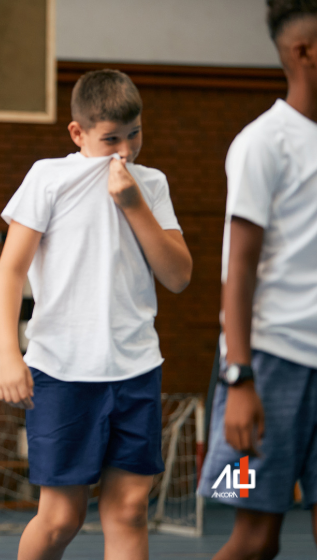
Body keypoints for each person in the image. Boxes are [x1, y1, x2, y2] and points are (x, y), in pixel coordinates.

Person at [0, 69, 192, 560]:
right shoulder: (48, 177)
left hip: (135, 368)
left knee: (128, 512)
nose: (125, 150)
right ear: (78, 134)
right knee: (62, 517)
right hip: (61, 369)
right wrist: (7, 356)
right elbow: (10, 272)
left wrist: (133, 204)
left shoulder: (152, 184)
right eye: (111, 140)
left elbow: (179, 275)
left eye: (134, 134)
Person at [196, 2, 317, 559]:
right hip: (266, 372)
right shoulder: (262, 142)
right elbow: (238, 267)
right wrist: (239, 378)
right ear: (304, 53)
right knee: (255, 538)